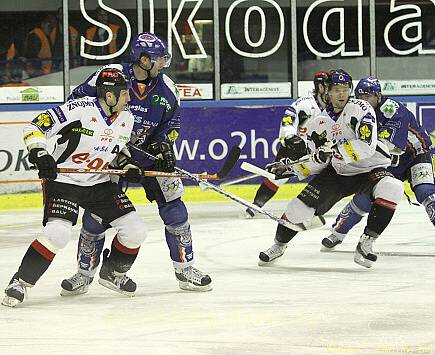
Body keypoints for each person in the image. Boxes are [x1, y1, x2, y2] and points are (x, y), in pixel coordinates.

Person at [60, 32, 212, 296]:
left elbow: (173, 124)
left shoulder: (168, 88)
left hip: (147, 157)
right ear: (143, 60)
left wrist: (163, 144)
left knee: (175, 208)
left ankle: (185, 269)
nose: (164, 63)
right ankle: (84, 274)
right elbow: (76, 101)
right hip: (111, 156)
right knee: (97, 217)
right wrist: (97, 137)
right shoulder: (110, 75)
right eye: (159, 58)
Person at [2, 68, 148, 307]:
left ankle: (113, 273)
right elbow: (35, 127)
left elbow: (117, 150)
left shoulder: (126, 118)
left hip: (99, 183)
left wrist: (127, 164)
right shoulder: (79, 109)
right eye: (124, 94)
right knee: (57, 234)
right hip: (64, 183)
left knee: (135, 231)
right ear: (109, 96)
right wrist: (39, 151)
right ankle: (20, 282)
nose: (129, 98)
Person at [258, 70, 404, 268]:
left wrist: (335, 150)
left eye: (345, 89)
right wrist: (292, 169)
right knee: (297, 210)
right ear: (326, 91)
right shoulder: (318, 123)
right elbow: (315, 159)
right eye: (336, 90)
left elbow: (366, 146)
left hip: (370, 168)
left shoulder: (361, 109)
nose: (342, 94)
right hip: (339, 173)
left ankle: (366, 243)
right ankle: (279, 245)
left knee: (393, 187)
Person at [321, 76, 435, 250]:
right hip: (386, 160)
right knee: (364, 199)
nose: (365, 101)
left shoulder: (391, 109)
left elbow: (388, 146)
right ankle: (337, 233)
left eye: (369, 97)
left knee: (426, 191)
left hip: (414, 155)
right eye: (362, 97)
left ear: (379, 96)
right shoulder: (356, 111)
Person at [245, 71, 330, 218]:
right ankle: (257, 204)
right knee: (277, 174)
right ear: (321, 87)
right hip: (298, 148)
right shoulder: (305, 104)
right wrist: (290, 137)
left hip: (321, 151)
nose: (335, 91)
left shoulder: (336, 107)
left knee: (329, 179)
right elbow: (288, 121)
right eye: (330, 87)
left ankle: (315, 210)